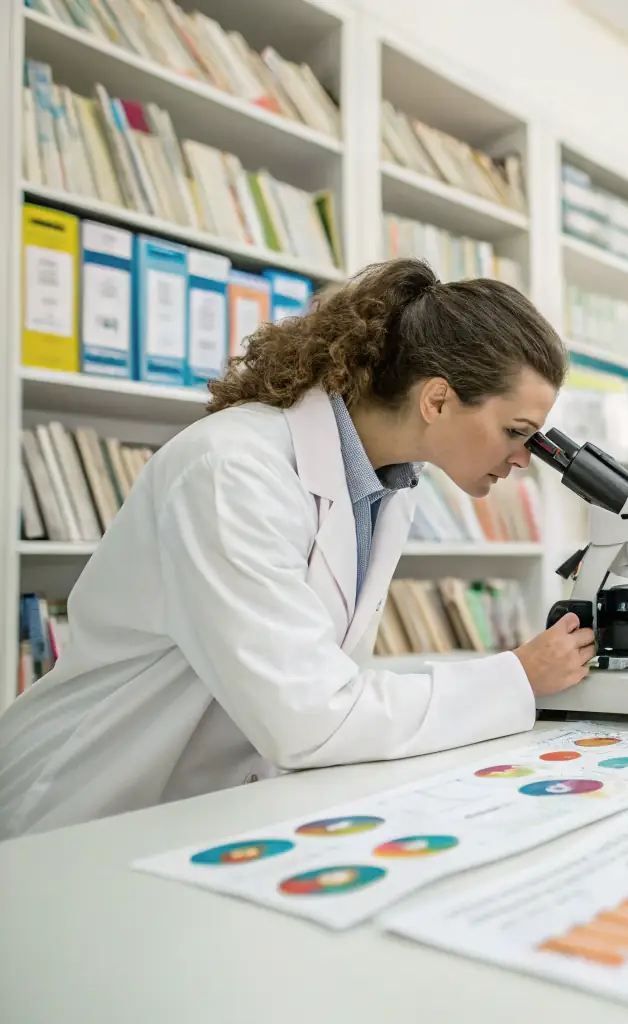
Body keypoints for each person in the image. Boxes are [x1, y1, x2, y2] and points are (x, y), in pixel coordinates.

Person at [0, 258, 596, 840]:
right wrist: (517, 675)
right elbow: (308, 716)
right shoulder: (231, 469)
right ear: (436, 400)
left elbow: (314, 682)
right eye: (517, 432)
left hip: (199, 810)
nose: (524, 459)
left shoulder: (388, 486)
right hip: (77, 808)